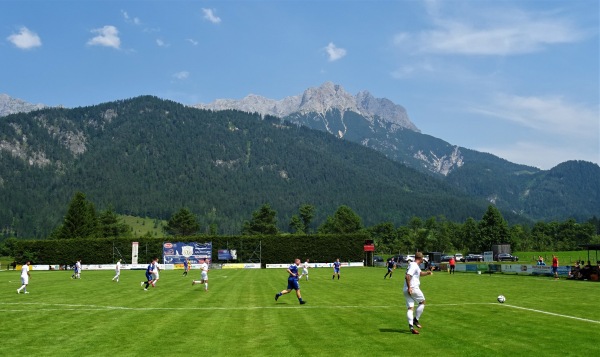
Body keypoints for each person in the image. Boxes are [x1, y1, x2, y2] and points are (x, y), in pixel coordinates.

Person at [403, 252, 433, 335]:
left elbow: (420, 273)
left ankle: (411, 327)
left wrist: (427, 273)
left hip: (406, 289)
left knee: (410, 308)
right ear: (420, 258)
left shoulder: (413, 265)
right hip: (413, 288)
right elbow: (407, 276)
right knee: (422, 302)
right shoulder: (414, 265)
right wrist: (410, 287)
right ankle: (415, 320)